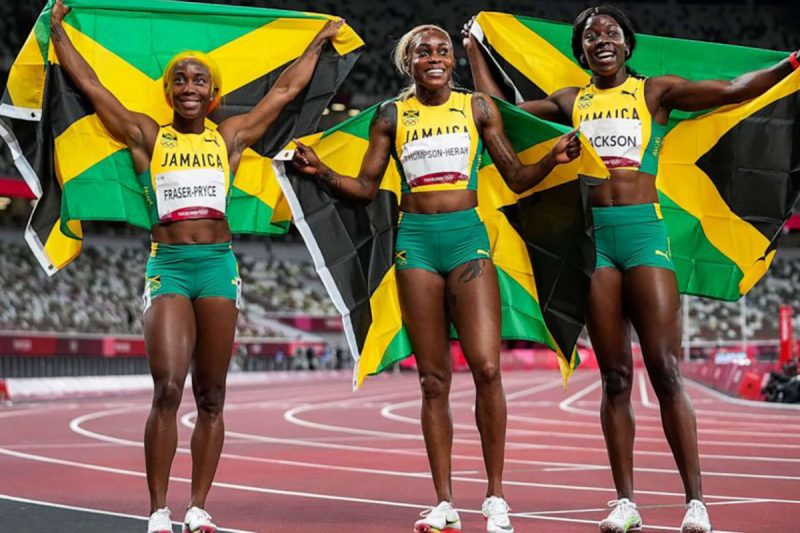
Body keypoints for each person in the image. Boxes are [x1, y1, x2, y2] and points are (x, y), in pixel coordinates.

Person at [464, 5, 800, 533]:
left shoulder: (655, 93)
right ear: (581, 52)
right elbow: (500, 113)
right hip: (596, 243)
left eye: (611, 32)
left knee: (665, 369)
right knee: (615, 378)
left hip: (645, 238)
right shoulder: (571, 101)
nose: (601, 39)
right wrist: (474, 51)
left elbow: (733, 89)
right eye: (590, 35)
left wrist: (791, 64)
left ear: (626, 44)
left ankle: (695, 503)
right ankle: (625, 502)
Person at [49, 2, 342, 532]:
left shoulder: (228, 137)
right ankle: (158, 510)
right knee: (167, 388)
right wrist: (58, 33)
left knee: (211, 395)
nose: (189, 87)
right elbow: (91, 86)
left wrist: (318, 41)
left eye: (199, 80)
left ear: (214, 95)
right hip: (169, 266)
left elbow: (282, 92)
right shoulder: (146, 135)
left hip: (217, 267)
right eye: (180, 80)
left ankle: (198, 506)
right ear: (168, 92)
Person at [291, 24, 580, 533]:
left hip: (468, 240)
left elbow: (514, 176)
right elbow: (365, 187)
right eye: (423, 51)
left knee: (487, 369)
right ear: (409, 63)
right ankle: (444, 502)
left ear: (453, 60)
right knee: (432, 380)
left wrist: (551, 159)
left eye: (443, 50)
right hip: (417, 244)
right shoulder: (390, 115)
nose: (435, 57)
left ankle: (495, 496)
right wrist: (322, 174)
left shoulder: (477, 108)